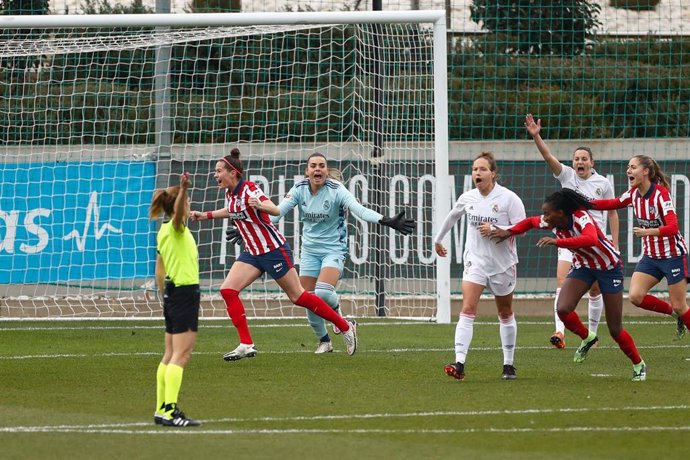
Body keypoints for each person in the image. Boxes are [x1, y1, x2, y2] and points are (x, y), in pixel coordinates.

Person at [236, 152, 414, 353]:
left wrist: (386, 220)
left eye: (321, 165)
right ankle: (325, 341)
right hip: (309, 251)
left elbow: (359, 210)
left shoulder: (336, 190)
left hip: (333, 249)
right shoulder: (299, 189)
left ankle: (338, 312)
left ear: (326, 170)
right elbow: (277, 213)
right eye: (313, 166)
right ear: (307, 171)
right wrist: (248, 225)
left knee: (322, 292)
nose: (317, 169)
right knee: (307, 297)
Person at [190, 148, 359, 360]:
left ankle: (345, 326)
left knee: (298, 296)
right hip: (252, 252)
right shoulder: (230, 193)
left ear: (232, 172)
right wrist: (204, 215)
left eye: (218, 171)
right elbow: (231, 211)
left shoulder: (250, 190)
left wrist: (260, 205)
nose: (215, 175)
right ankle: (246, 344)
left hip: (273, 251)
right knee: (228, 290)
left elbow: (274, 209)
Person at [488, 188, 647, 381]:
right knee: (562, 308)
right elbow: (530, 222)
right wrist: (509, 232)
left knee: (615, 328)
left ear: (561, 213)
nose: (544, 218)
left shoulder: (581, 217)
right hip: (584, 267)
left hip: (609, 268)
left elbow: (591, 238)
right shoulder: (553, 222)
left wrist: (558, 242)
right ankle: (587, 337)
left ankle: (639, 364)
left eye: (547, 213)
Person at [525, 114, 619, 349]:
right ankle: (560, 330)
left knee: (595, 288)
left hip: (593, 240)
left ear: (591, 163)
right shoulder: (566, 175)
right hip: (569, 238)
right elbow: (548, 156)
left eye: (584, 158)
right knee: (562, 279)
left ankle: (593, 334)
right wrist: (537, 136)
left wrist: (614, 241)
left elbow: (613, 213)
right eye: (576, 158)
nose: (580, 162)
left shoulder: (603, 184)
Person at [435, 152, 526, 381]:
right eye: (475, 169)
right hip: (475, 261)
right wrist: (438, 240)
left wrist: (498, 229)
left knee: (504, 312)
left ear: (493, 174)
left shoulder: (508, 198)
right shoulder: (468, 198)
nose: (477, 172)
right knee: (467, 308)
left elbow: (522, 226)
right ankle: (459, 362)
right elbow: (452, 217)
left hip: (502, 264)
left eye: (483, 169)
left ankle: (508, 364)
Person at [590, 154, 689, 338]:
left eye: (633, 167)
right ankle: (676, 315)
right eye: (628, 166)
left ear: (646, 172)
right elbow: (611, 203)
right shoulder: (633, 194)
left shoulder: (661, 194)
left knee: (680, 305)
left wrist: (647, 232)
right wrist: (582, 202)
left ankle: (680, 312)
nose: (628, 170)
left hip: (673, 256)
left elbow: (673, 227)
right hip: (651, 257)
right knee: (635, 296)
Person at [149, 172, 201, 427]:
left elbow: (160, 269)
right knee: (182, 354)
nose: (189, 205)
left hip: (172, 293)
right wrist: (183, 189)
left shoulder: (163, 232)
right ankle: (170, 410)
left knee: (169, 354)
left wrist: (163, 295)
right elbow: (180, 213)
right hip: (185, 293)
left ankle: (161, 408)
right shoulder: (177, 227)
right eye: (187, 201)